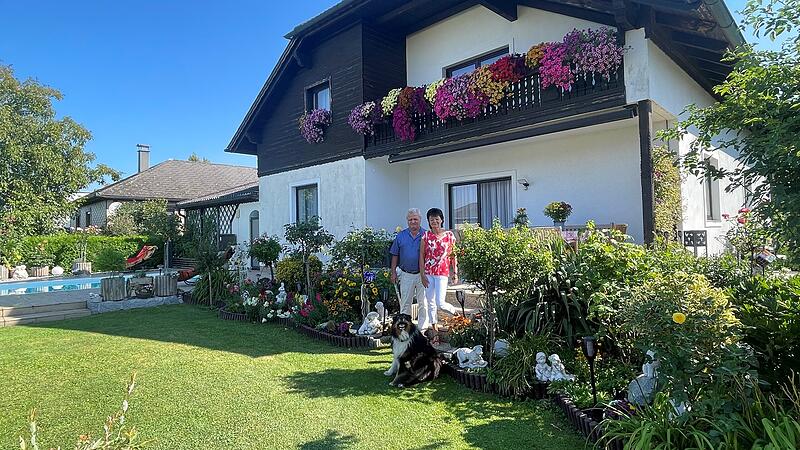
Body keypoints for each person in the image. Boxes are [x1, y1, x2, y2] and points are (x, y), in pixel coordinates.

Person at [418, 207, 459, 334]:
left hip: (442, 273)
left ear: (441, 220)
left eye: (437, 219)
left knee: (440, 303)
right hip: (429, 273)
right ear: (428, 221)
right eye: (431, 219)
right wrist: (422, 275)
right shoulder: (425, 236)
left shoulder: (449, 235)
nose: (434, 221)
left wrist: (455, 273)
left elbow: (453, 255)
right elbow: (421, 255)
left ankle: (456, 313)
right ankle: (435, 331)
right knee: (430, 303)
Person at [389, 208, 426, 316]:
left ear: (420, 219)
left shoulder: (426, 235)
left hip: (422, 275)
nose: (413, 221)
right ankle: (405, 329)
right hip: (406, 275)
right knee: (405, 304)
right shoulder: (401, 236)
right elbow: (395, 255)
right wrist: (393, 273)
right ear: (407, 221)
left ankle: (422, 329)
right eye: (410, 220)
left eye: (415, 219)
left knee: (423, 304)